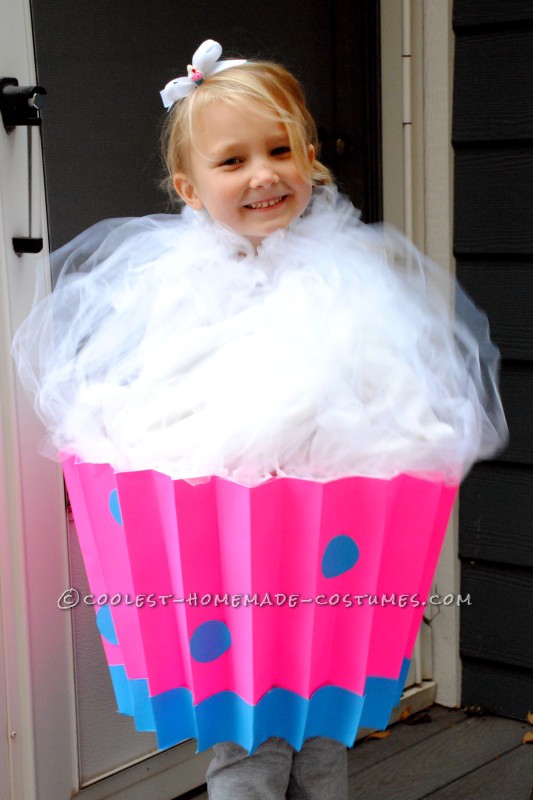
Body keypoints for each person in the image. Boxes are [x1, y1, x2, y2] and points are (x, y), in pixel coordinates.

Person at [13, 39, 507, 800]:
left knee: (323, 718)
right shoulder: (176, 286)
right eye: (232, 161)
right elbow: (164, 396)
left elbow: (387, 391)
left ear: (309, 155)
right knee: (250, 733)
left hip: (325, 535)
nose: (263, 174)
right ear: (188, 185)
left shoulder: (348, 276)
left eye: (278, 150)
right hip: (231, 548)